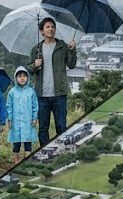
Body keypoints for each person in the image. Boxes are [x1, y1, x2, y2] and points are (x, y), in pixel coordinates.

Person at [28, 17, 77, 146]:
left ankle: (61, 151)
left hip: (59, 94)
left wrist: (72, 50)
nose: (51, 29)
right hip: (42, 95)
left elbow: (71, 65)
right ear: (42, 31)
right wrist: (34, 65)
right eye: (47, 27)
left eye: (53, 27)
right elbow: (29, 70)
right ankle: (45, 150)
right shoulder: (36, 49)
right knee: (43, 128)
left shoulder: (62, 46)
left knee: (61, 126)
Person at [5, 66, 38, 164]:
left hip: (28, 122)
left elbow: (35, 106)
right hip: (16, 122)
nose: (22, 78)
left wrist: (34, 118)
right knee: (16, 143)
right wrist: (9, 119)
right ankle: (16, 161)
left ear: (27, 78)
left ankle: (27, 161)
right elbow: (9, 106)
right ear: (16, 78)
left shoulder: (31, 91)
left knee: (28, 142)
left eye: (24, 76)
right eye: (19, 76)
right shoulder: (12, 92)